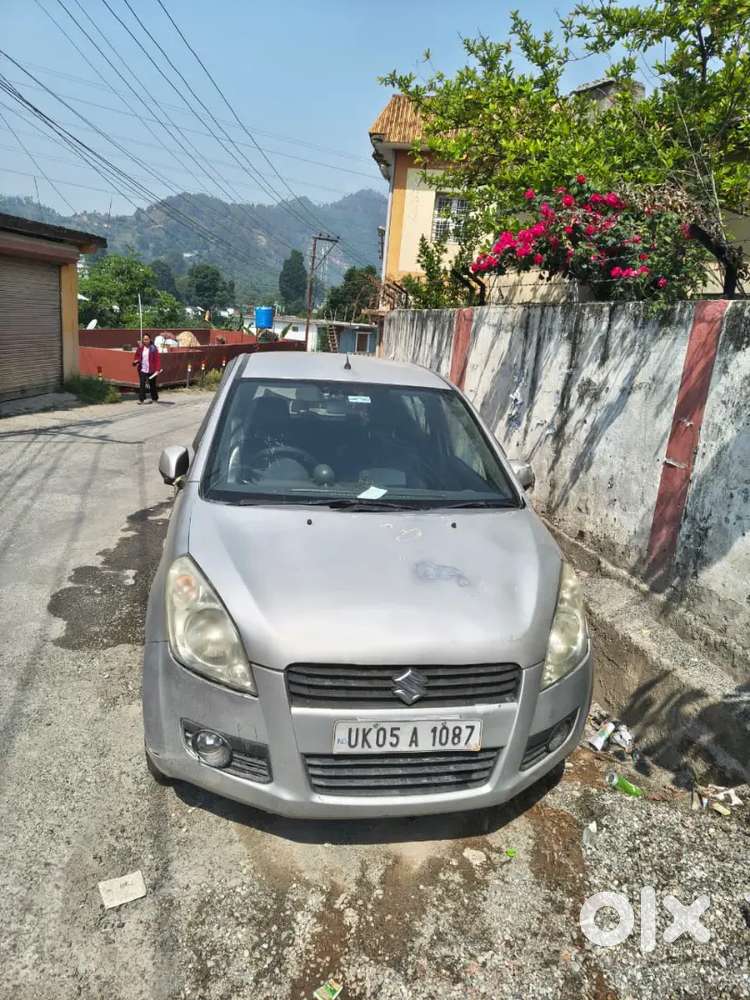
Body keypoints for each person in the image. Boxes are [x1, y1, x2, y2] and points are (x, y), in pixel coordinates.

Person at [133, 334, 161, 403]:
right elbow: (137, 356)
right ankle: (141, 399)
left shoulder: (153, 348)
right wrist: (136, 360)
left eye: (147, 339)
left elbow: (157, 359)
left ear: (150, 340)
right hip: (142, 369)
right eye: (144, 339)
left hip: (151, 370)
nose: (145, 341)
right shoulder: (140, 348)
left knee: (152, 384)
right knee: (142, 384)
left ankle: (154, 398)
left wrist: (157, 369)